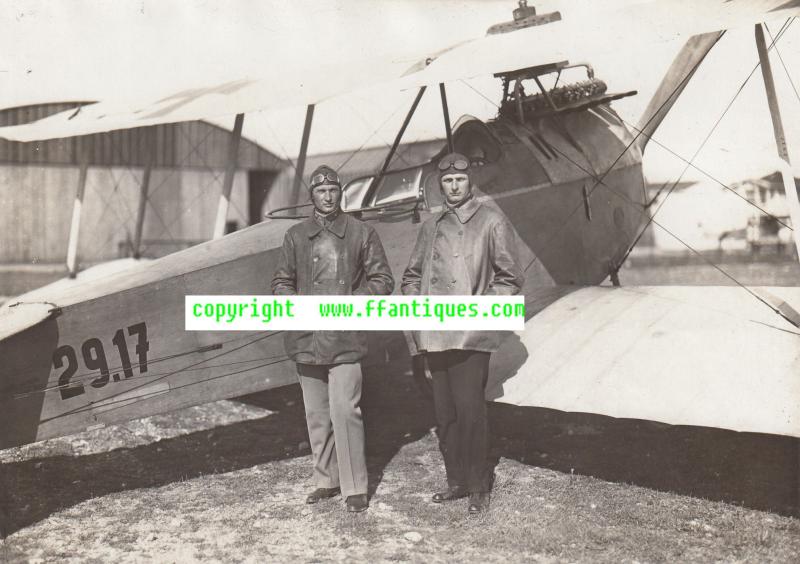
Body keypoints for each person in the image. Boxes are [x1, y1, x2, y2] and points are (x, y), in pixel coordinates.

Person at [401, 152, 524, 514]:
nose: (453, 187)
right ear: (440, 186)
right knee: (445, 414)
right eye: (447, 182)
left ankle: (478, 484)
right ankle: (456, 481)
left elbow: (511, 276)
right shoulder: (432, 226)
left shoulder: (491, 222)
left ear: (470, 182)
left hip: (471, 335)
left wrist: (478, 311)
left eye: (459, 180)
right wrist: (417, 306)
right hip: (436, 335)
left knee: (471, 410)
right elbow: (411, 275)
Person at [272, 164, 394, 513]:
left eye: (333, 191)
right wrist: (288, 299)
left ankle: (355, 486)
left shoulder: (360, 232)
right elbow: (281, 280)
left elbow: (383, 280)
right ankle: (326, 480)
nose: (327, 197)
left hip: (345, 337)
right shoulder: (295, 235)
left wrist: (352, 303)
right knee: (316, 414)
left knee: (346, 409)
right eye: (320, 191)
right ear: (311, 196)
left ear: (341, 193)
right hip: (307, 336)